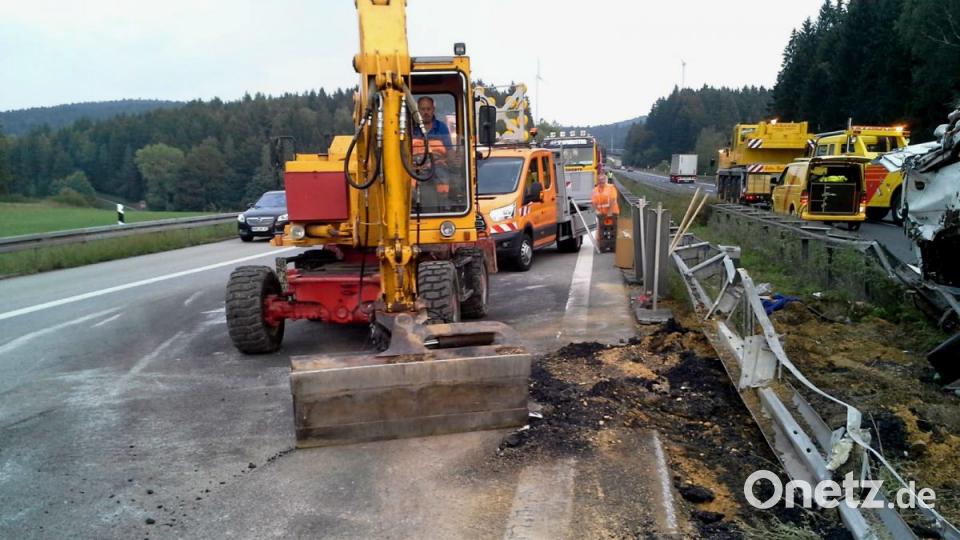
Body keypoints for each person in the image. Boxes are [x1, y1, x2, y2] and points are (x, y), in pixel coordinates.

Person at [591, 173, 620, 242]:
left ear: (606, 180)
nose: (601, 181)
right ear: (597, 181)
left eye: (603, 180)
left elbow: (613, 200)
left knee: (612, 230)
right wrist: (597, 211)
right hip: (601, 215)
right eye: (599, 180)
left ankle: (613, 245)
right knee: (601, 232)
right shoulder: (595, 190)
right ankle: (603, 245)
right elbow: (594, 202)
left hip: (612, 213)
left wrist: (609, 212)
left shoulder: (611, 187)